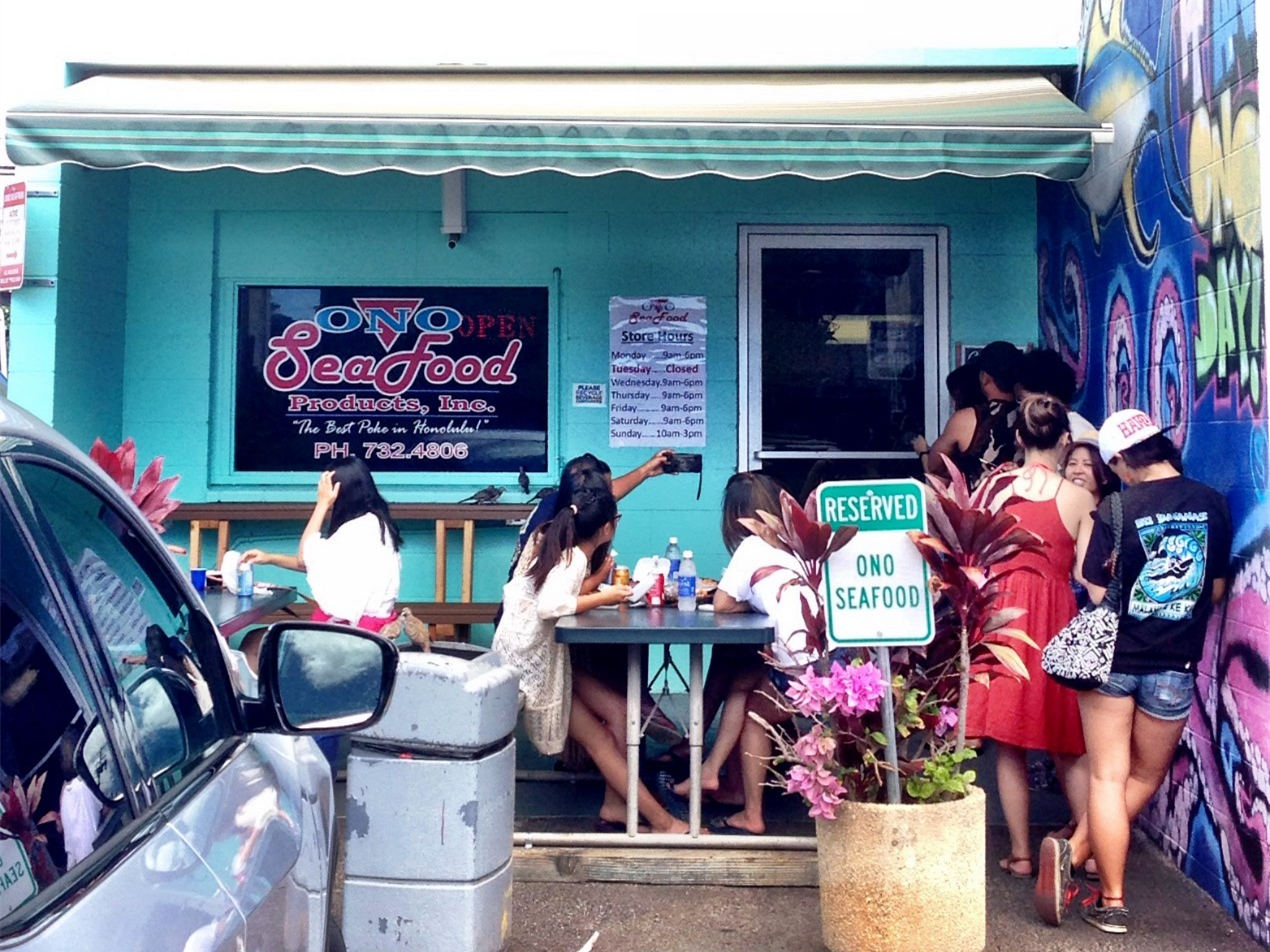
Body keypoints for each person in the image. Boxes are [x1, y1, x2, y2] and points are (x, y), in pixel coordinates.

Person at [1035, 409, 1231, 935]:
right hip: (1175, 663)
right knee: (1144, 776)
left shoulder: (1118, 508)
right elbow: (1214, 589)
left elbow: (1097, 586)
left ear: (1122, 460)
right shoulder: (1212, 503)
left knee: (1107, 776)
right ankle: (1075, 856)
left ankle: (1110, 898)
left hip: (1112, 662)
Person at [492, 487, 691, 834]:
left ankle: (616, 808)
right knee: (599, 740)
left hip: (526, 654)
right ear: (608, 528)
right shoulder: (575, 558)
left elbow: (554, 590)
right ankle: (664, 822)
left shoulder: (552, 541)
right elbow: (551, 605)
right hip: (532, 669)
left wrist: (600, 584)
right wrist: (605, 596)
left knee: (620, 712)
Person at [966, 395, 1095, 878]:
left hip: (1002, 616)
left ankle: (1021, 854)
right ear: (1065, 439)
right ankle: (1091, 850)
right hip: (1055, 617)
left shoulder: (993, 488)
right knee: (1067, 741)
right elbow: (1085, 574)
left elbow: (972, 553)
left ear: (1018, 437)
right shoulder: (1079, 498)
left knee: (1009, 742)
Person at [665, 473, 823, 835]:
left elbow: (722, 603)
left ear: (737, 515)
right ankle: (714, 774)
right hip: (827, 659)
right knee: (740, 683)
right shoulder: (799, 542)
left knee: (754, 713)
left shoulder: (752, 546)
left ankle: (752, 813)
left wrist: (749, 602)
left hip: (801, 668)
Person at [242, 457, 402, 634]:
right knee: (257, 637)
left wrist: (322, 504)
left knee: (255, 640)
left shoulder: (359, 529)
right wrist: (269, 558)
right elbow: (316, 563)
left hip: (352, 636)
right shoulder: (374, 523)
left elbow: (304, 558)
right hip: (363, 631)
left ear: (339, 492)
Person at [924, 340, 1021, 484]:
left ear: (985, 378)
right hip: (1023, 496)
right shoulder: (1032, 415)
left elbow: (935, 465)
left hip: (981, 497)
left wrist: (967, 474)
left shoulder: (967, 419)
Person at [912, 359, 985, 468]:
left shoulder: (963, 420)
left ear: (959, 396)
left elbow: (934, 469)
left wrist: (923, 452)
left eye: (952, 395)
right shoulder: (994, 416)